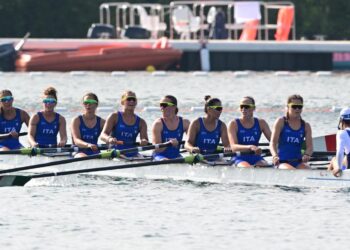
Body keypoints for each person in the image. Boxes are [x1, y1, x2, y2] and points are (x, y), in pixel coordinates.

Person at [270, 94, 313, 169]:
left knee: (308, 170)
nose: (297, 109)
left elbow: (310, 147)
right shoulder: (280, 122)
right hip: (282, 162)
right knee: (292, 170)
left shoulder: (306, 126)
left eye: (299, 107)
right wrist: (274, 156)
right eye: (294, 106)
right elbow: (272, 143)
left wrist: (307, 154)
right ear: (288, 107)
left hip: (298, 162)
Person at [100, 90, 148, 157]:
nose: (131, 101)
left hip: (132, 153)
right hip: (115, 153)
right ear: (122, 102)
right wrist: (109, 139)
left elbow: (145, 139)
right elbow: (102, 135)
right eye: (129, 99)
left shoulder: (141, 122)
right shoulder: (114, 116)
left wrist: (144, 141)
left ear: (136, 102)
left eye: (133, 99)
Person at [228, 96, 271, 167]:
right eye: (241, 106)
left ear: (254, 108)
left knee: (264, 166)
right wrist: (250, 147)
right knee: (246, 167)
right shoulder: (233, 124)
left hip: (256, 157)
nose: (243, 109)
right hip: (239, 157)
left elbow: (274, 142)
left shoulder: (261, 123)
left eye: (246, 106)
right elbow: (233, 147)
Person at [152, 95, 190, 161]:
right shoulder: (158, 124)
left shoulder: (185, 123)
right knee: (165, 161)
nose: (162, 108)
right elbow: (156, 149)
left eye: (165, 105)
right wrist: (168, 144)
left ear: (174, 107)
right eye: (161, 105)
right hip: (160, 156)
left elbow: (192, 142)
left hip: (176, 155)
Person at [71, 93, 105, 158]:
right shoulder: (76, 120)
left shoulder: (102, 122)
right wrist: (88, 145)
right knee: (83, 157)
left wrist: (110, 140)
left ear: (96, 104)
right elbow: (76, 140)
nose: (88, 105)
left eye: (91, 102)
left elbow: (106, 136)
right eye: (86, 102)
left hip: (94, 150)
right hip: (78, 151)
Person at [328, 108, 350, 177]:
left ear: (341, 120)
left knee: (334, 159)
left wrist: (339, 168)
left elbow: (340, 152)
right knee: (345, 157)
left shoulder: (342, 133)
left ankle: (327, 179)